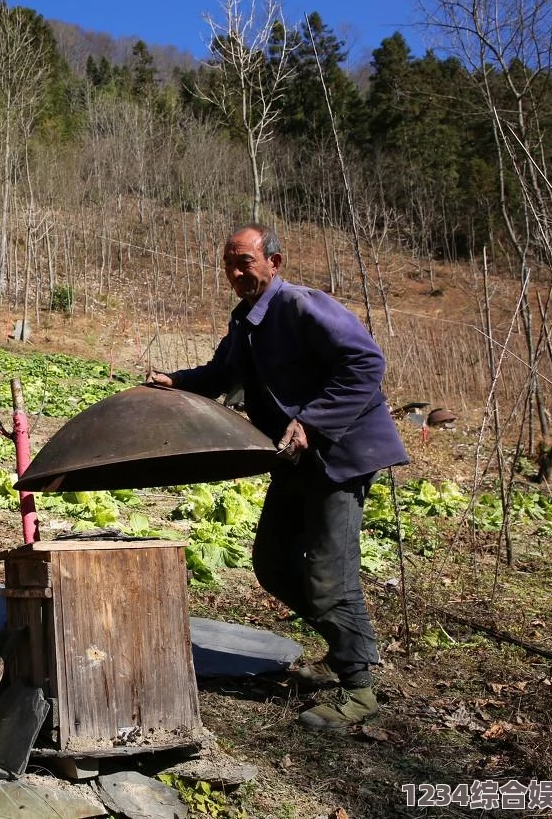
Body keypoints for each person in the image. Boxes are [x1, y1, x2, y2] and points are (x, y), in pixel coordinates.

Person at [148, 223, 408, 729]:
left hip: (341, 454)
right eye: (229, 263)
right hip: (294, 458)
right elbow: (221, 375)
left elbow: (366, 362)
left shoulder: (301, 306)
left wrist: (312, 419)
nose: (236, 272)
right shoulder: (246, 319)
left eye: (245, 260)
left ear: (274, 263)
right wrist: (176, 382)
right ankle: (344, 646)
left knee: (329, 573)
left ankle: (359, 691)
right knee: (271, 562)